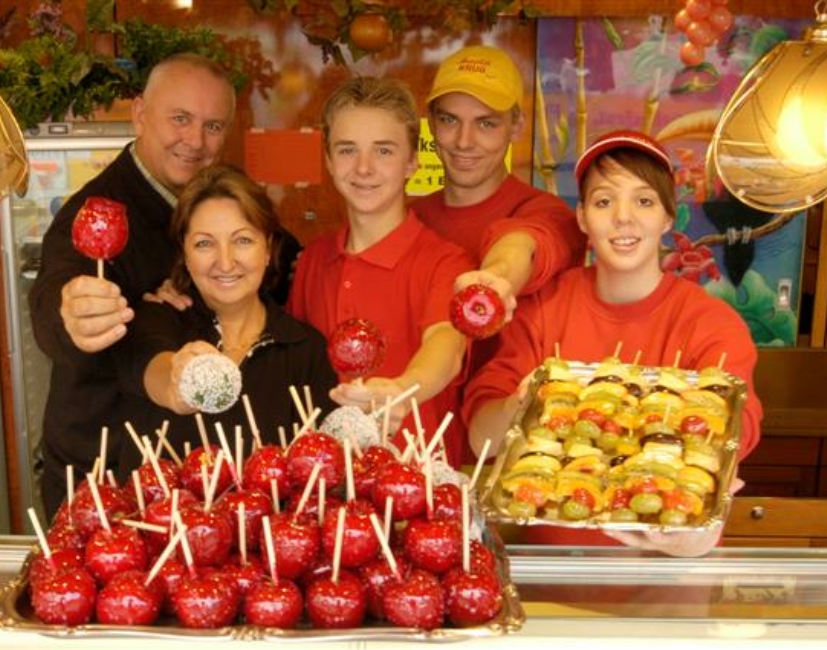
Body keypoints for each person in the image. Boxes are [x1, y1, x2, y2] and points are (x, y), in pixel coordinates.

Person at [462, 130, 763, 556]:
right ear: (582, 217)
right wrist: (517, 405)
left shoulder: (711, 324)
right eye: (604, 201)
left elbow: (738, 428)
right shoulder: (544, 307)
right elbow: (481, 440)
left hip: (665, 574)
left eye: (644, 201)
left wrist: (689, 540)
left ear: (668, 217)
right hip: (554, 575)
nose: (623, 217)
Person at [29, 53, 297, 517]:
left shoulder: (214, 197)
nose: (195, 140)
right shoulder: (94, 213)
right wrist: (71, 313)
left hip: (190, 474)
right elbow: (57, 293)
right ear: (139, 113)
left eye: (213, 126)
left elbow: (278, 257)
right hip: (98, 471)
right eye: (180, 119)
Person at [287, 76, 474, 466]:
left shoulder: (446, 261)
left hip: (419, 489)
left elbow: (447, 345)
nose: (364, 168)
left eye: (384, 151)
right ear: (328, 160)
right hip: (325, 490)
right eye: (347, 150)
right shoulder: (314, 260)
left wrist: (401, 390)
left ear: (412, 161)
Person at [115, 163, 337, 478]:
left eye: (243, 240)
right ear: (185, 253)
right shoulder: (155, 319)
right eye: (205, 243)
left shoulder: (306, 350)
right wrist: (178, 383)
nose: (225, 261)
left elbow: (324, 472)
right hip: (167, 525)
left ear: (268, 249)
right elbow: (153, 365)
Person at [414, 44, 587, 323]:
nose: (464, 141)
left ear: (516, 125)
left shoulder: (550, 214)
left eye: (486, 124)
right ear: (431, 122)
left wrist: (493, 280)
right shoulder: (409, 219)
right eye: (449, 120)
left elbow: (524, 242)